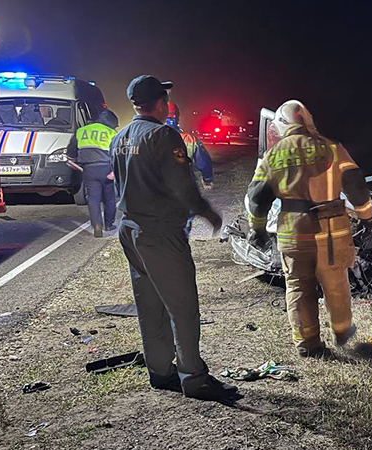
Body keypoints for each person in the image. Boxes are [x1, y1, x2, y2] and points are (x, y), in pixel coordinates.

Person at [110, 75, 237, 401]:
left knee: (149, 305)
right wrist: (207, 212)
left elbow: (118, 187)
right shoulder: (163, 135)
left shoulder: (120, 137)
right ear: (160, 102)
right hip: (161, 233)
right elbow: (182, 186)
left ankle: (160, 372)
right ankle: (194, 379)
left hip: (130, 230)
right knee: (182, 308)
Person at [245, 100, 372, 357]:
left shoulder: (273, 155)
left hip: (293, 233)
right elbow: (356, 186)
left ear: (282, 125)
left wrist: (257, 229)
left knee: (298, 286)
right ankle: (342, 331)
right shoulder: (332, 148)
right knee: (336, 282)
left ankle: (307, 344)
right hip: (332, 233)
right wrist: (366, 219)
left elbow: (257, 198)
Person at [68, 109, 119, 237]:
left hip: (88, 169)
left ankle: (97, 225)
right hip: (106, 168)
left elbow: (72, 150)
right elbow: (117, 152)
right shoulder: (111, 132)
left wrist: (74, 160)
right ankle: (108, 224)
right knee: (109, 198)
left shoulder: (81, 131)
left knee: (93, 198)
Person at [165, 101, 214, 235]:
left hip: (157, 188)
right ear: (177, 117)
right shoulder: (189, 139)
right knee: (184, 223)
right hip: (184, 187)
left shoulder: (149, 137)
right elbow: (203, 162)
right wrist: (207, 179)